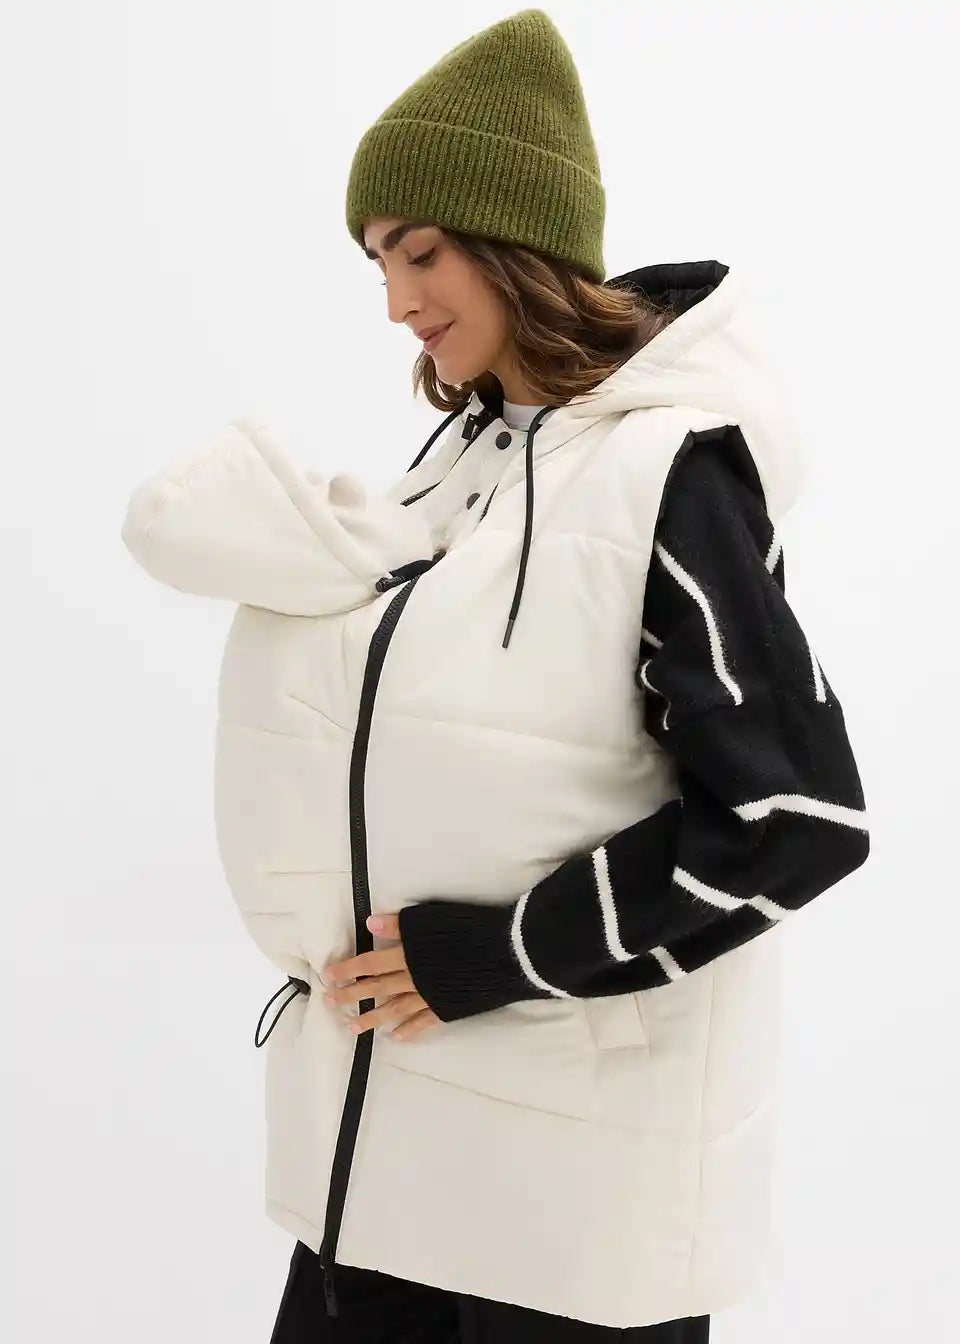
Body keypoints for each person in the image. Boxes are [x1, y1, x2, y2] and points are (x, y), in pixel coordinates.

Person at [121, 8, 870, 1341]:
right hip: (384, 1175)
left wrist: (501, 952)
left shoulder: (670, 473)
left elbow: (794, 818)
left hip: (568, 1222)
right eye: (376, 261)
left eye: (421, 250)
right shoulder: (462, 467)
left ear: (519, 239)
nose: (398, 302)